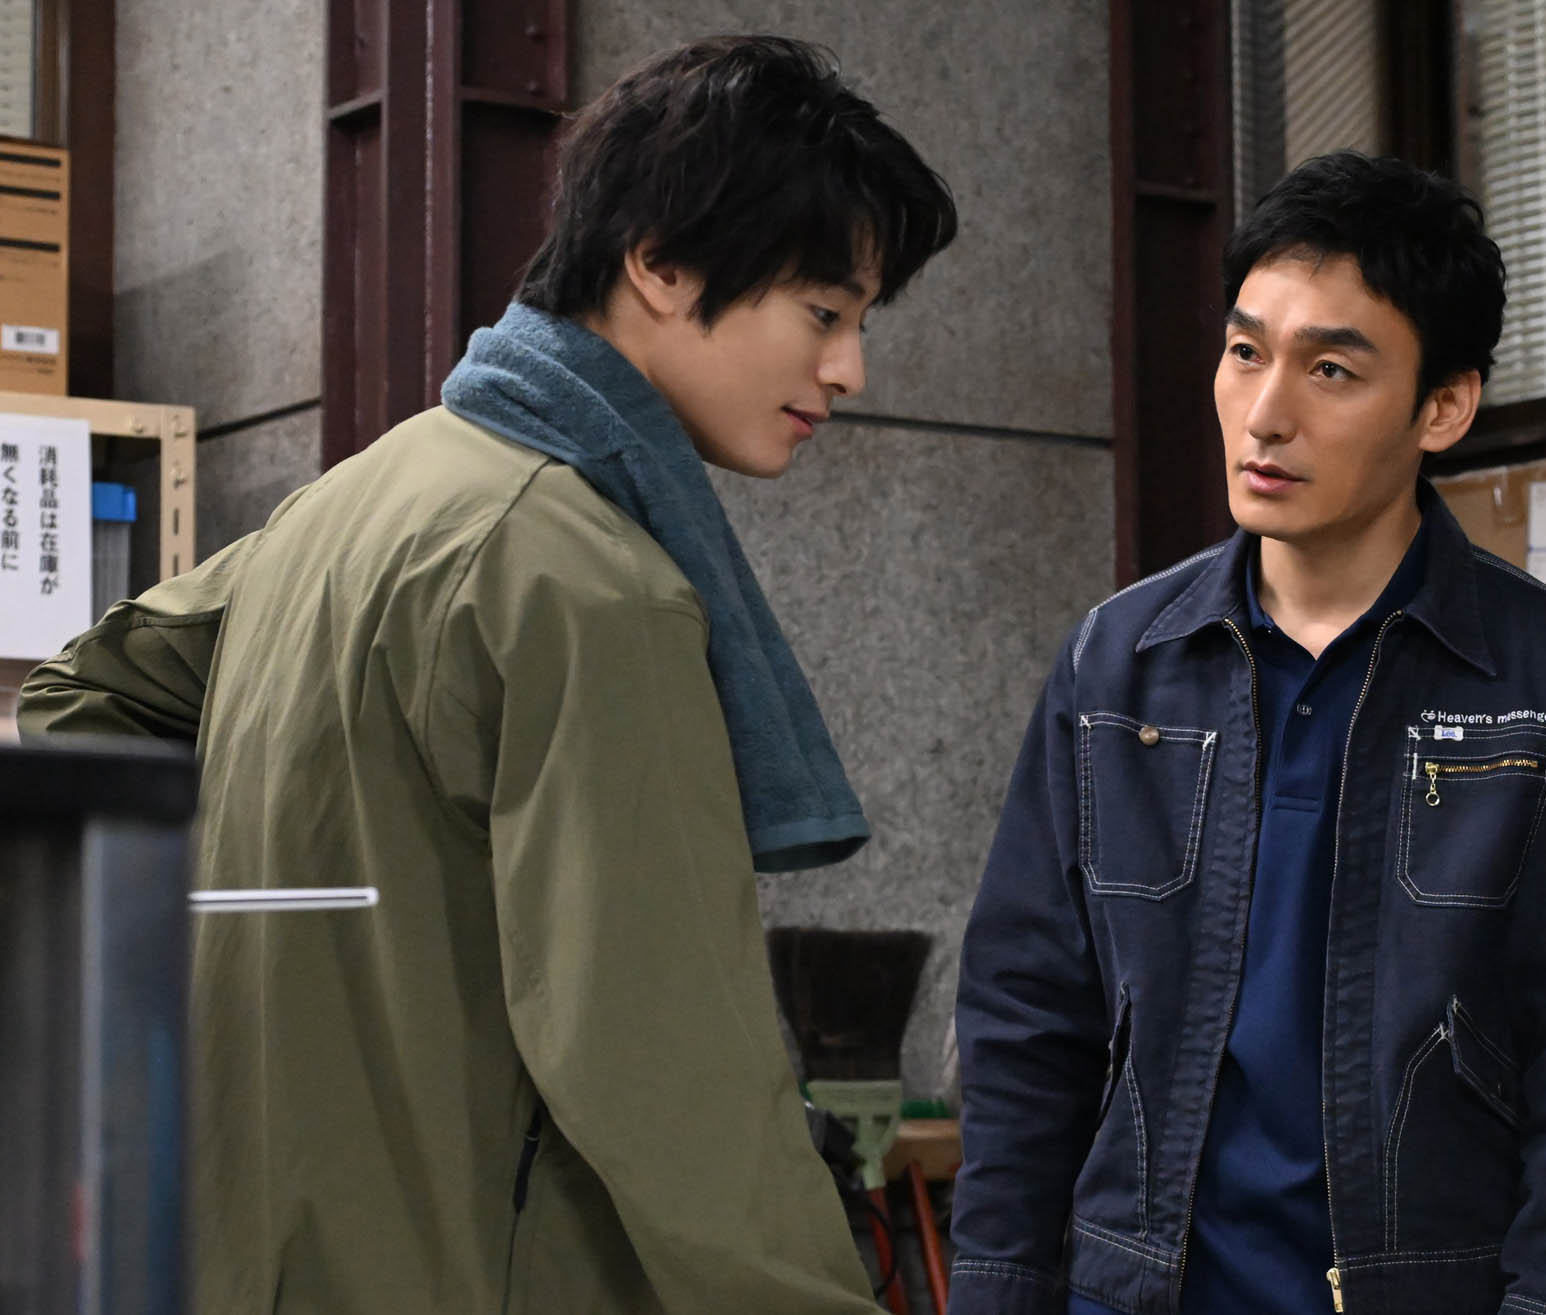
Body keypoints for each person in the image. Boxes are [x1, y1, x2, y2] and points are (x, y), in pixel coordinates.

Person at [20, 35, 954, 1313]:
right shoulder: (591, 588)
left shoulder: (351, 506)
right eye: (824, 314)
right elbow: (667, 1069)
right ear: (660, 263)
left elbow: (80, 698)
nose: (848, 371)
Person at [951, 151, 1546, 1315]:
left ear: (1443, 406)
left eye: (1329, 369)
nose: (1265, 413)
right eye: (1245, 353)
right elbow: (1025, 1023)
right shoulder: (1115, 663)